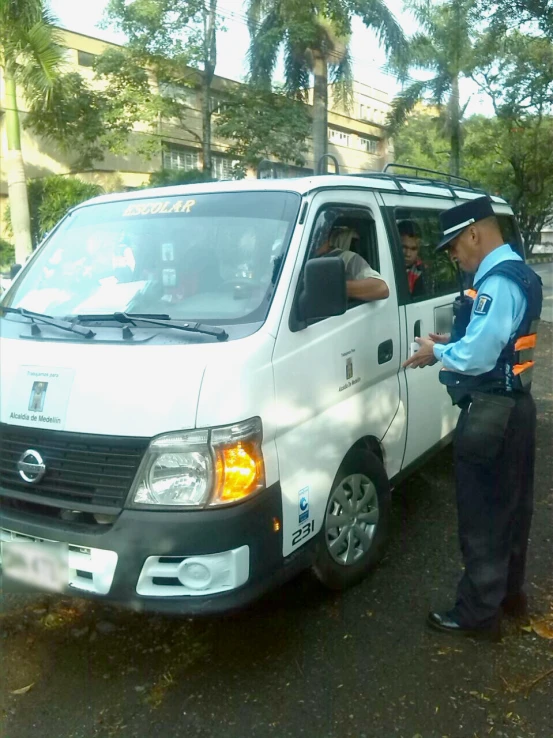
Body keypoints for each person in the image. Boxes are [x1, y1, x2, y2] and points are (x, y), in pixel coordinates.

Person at [403, 196, 543, 641]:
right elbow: (499, 340)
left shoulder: (497, 282)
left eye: (453, 246)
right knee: (512, 509)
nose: (452, 256)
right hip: (515, 408)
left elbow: (480, 355)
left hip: (490, 413)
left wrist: (438, 350)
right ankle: (508, 597)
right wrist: (453, 340)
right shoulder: (519, 272)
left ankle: (477, 615)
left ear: (474, 234)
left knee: (483, 515)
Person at [316, 226, 389, 302]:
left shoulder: (345, 258)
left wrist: (329, 287)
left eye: (318, 235)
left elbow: (381, 288)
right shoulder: (304, 254)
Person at [398, 220, 426, 298]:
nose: (408, 254)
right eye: (404, 247)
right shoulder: (384, 265)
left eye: (413, 249)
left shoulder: (422, 272)